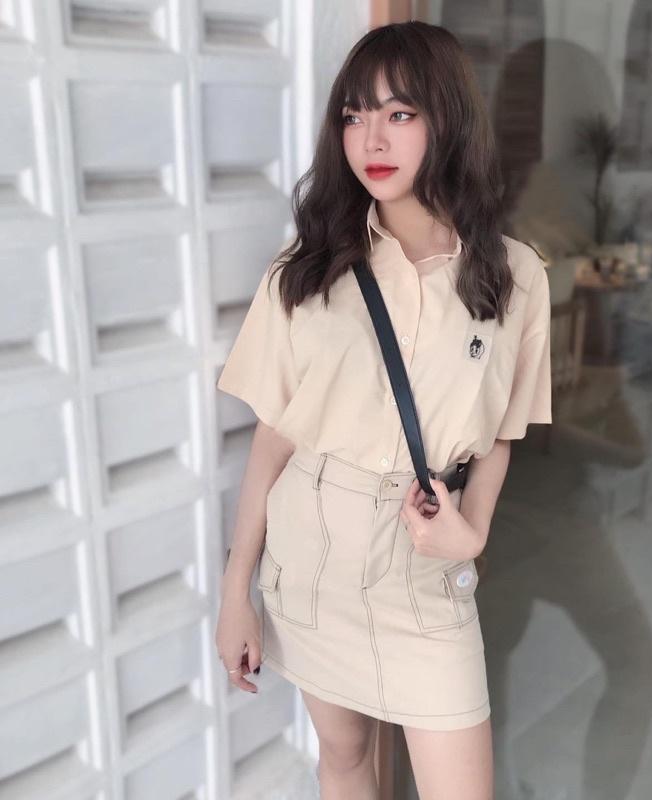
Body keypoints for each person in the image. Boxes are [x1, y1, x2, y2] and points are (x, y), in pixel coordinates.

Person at [214, 20, 551, 800]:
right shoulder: (306, 272)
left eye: (400, 113)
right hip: (313, 557)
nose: (372, 138)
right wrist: (237, 593)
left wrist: (473, 530)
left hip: (423, 565)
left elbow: (499, 435)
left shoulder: (515, 276)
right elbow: (274, 439)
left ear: (447, 120)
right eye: (354, 114)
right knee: (343, 762)